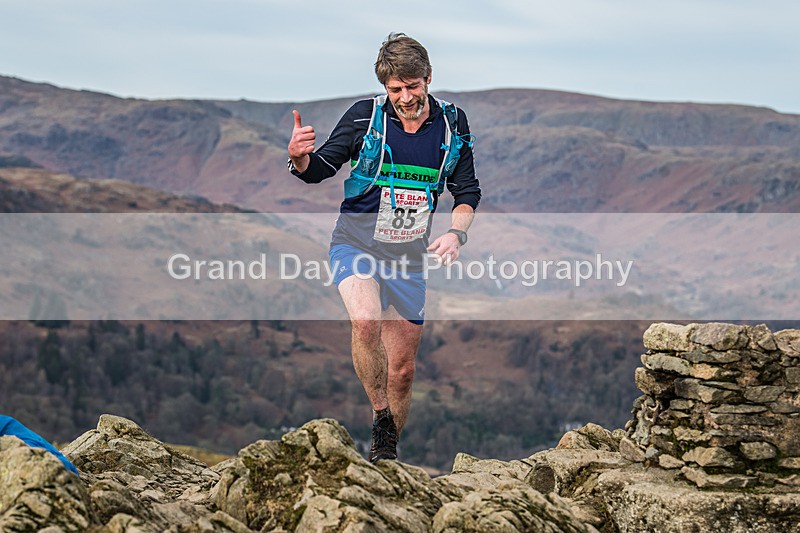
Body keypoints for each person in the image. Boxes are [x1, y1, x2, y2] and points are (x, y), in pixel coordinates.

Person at [287, 33, 480, 463]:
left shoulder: (453, 123)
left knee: (404, 372)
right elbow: (320, 169)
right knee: (365, 321)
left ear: (428, 78)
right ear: (385, 86)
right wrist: (300, 158)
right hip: (355, 243)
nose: (406, 98)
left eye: (413, 86)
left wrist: (456, 233)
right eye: (396, 89)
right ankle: (380, 417)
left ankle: (385, 456)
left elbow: (466, 189)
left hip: (409, 257)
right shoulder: (364, 117)